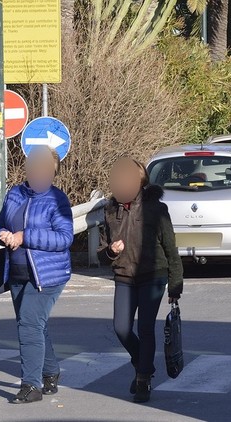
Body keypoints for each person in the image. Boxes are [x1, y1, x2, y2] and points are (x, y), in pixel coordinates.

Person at [98, 157, 183, 403]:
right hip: (123, 276)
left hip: (152, 276)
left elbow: (170, 248)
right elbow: (103, 254)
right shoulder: (109, 210)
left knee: (146, 328)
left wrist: (175, 282)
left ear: (140, 181)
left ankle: (143, 378)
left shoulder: (156, 208)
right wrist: (111, 251)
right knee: (121, 328)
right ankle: (141, 361)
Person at [0, 145, 74, 404]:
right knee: (33, 325)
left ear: (52, 172)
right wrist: (4, 234)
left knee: (29, 324)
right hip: (16, 271)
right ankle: (50, 372)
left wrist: (24, 236)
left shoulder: (57, 200)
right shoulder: (15, 194)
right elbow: (0, 225)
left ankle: (31, 385)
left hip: (48, 274)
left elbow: (64, 238)